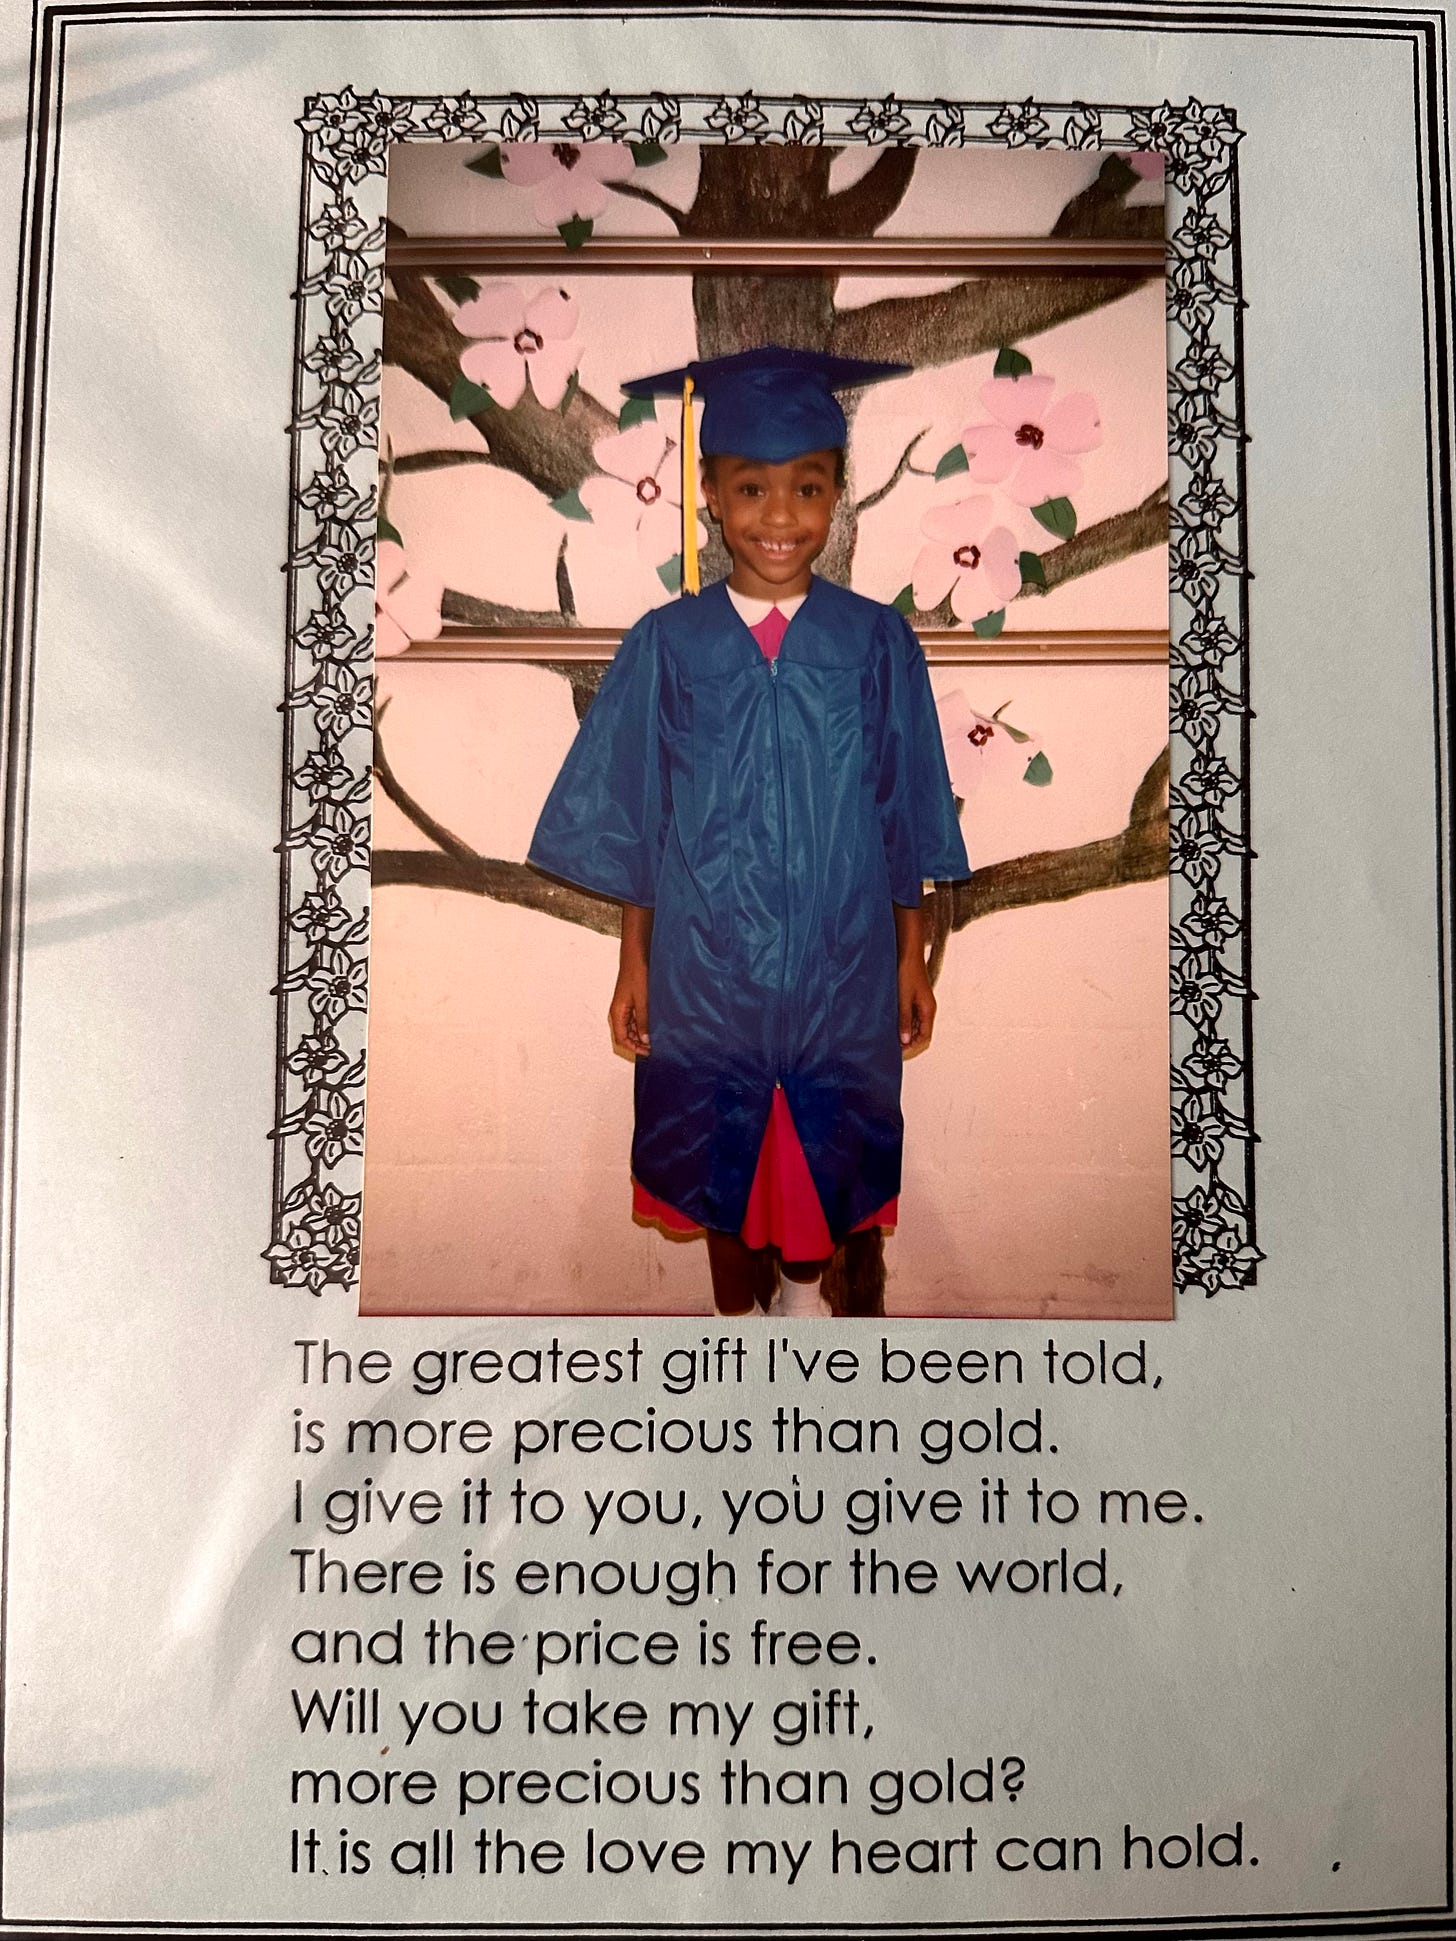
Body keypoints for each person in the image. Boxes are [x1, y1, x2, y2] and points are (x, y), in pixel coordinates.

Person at [528, 345, 970, 1319]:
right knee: (723, 1167)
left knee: (829, 1165)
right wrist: (632, 962)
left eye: (806, 488)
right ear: (713, 500)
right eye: (753, 490)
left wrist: (912, 953)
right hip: (707, 968)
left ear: (835, 496)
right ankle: (744, 1326)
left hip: (841, 961)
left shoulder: (873, 641)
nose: (780, 516)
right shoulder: (668, 644)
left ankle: (810, 1311)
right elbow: (640, 817)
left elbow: (904, 802)